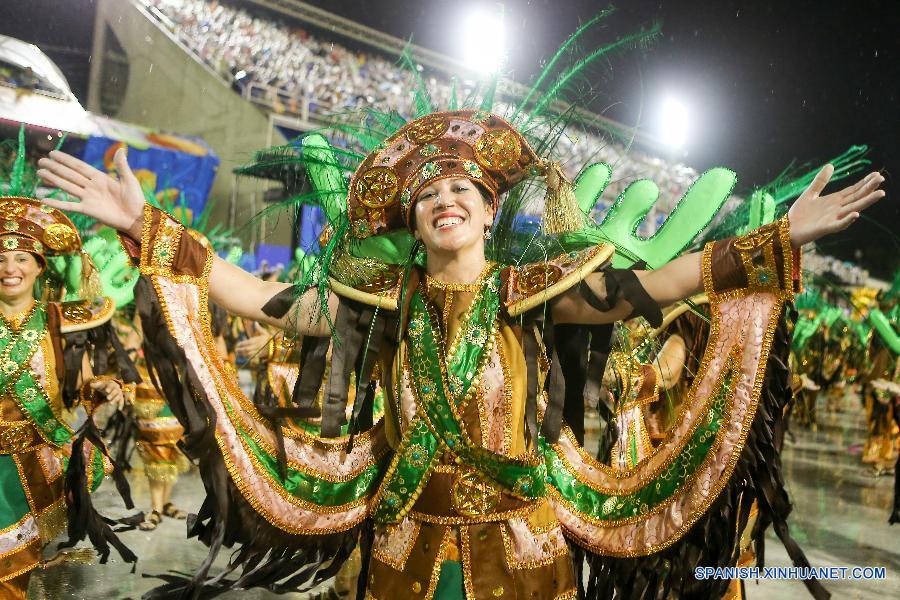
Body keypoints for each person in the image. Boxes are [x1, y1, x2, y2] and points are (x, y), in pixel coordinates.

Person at [38, 103, 885, 600]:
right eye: (429, 195)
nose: (444, 200)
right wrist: (149, 225)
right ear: (415, 222)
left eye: (461, 192)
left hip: (525, 552)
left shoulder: (532, 295)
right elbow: (251, 296)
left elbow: (658, 286)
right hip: (406, 550)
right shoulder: (380, 303)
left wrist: (778, 238)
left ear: (487, 215)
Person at [0, 195, 138, 598]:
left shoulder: (63, 321)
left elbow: (83, 384)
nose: (10, 268)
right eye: (1, 259)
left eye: (22, 258)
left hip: (33, 466)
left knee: (12, 567)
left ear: (40, 266)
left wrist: (103, 387)